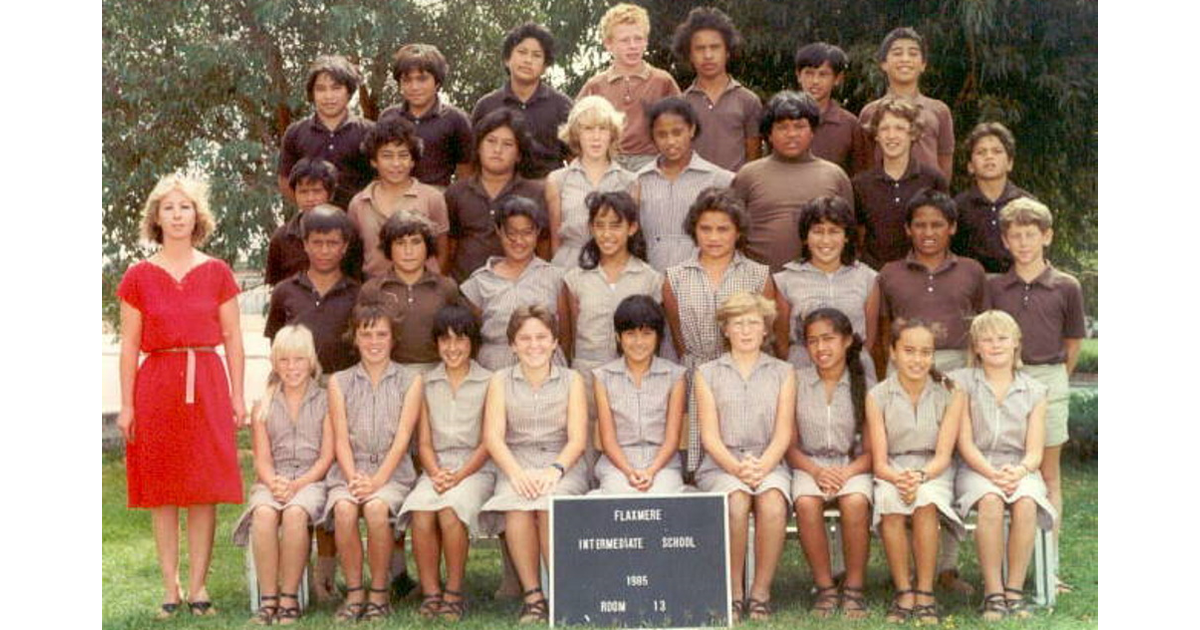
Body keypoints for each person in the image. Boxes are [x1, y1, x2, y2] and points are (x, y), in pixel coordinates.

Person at [116, 173, 245, 618]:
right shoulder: (138, 276)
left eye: (184, 207)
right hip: (157, 386)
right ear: (156, 217)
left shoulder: (217, 272)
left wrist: (238, 396)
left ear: (197, 215)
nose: (176, 215)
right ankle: (170, 586)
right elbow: (129, 345)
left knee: (204, 487)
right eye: (168, 208)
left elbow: (233, 337)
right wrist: (127, 404)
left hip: (206, 381)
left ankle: (198, 585)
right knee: (164, 489)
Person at [988, 197, 1086, 594]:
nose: (1024, 243)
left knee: (1047, 475)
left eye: (1031, 235)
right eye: (1016, 236)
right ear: (1005, 241)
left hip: (1048, 378)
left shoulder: (1067, 286)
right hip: (1004, 378)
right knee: (1006, 471)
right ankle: (1006, 564)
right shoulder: (995, 286)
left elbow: (1073, 343)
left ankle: (1049, 566)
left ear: (1047, 236)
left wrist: (1052, 382)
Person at [478, 306, 589, 623]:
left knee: (549, 505)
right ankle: (533, 597)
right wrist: (516, 474)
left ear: (555, 342)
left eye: (541, 337)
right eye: (524, 338)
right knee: (518, 507)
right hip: (517, 462)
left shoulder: (572, 380)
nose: (534, 345)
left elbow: (577, 439)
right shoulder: (500, 381)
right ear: (513, 345)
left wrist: (555, 470)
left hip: (562, 463)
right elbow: (493, 438)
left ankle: (563, 594)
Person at [693, 292, 795, 622]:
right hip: (722, 464)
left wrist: (762, 468)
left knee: (773, 503)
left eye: (753, 322)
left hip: (769, 460)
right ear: (725, 329)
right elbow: (710, 437)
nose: (746, 330)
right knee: (736, 503)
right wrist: (738, 470)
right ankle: (734, 592)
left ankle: (761, 592)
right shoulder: (707, 373)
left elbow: (783, 433)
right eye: (737, 323)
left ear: (766, 329)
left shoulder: (784, 372)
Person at [663, 187, 781, 472]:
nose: (713, 237)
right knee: (701, 465)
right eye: (705, 229)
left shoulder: (758, 275)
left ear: (738, 231)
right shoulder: (675, 278)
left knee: (744, 456)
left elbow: (766, 334)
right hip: (695, 375)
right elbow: (679, 339)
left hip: (745, 377)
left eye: (723, 229)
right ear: (694, 230)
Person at [952, 310, 1057, 621]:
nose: (995, 345)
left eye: (1002, 338)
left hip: (1019, 467)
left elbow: (1035, 451)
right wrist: (992, 474)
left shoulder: (1035, 390)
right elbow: (965, 443)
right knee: (990, 501)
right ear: (976, 347)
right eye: (986, 339)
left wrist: (1020, 471)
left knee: (1026, 502)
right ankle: (993, 593)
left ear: (1016, 344)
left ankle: (1014, 592)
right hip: (976, 466)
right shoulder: (961, 383)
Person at [324, 298, 423, 622]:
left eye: (381, 334)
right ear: (354, 338)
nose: (374, 342)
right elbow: (340, 438)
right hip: (350, 470)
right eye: (366, 334)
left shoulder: (411, 380)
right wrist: (354, 478)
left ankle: (380, 591)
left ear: (393, 338)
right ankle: (355, 593)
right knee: (343, 509)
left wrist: (377, 481)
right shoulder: (339, 382)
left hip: (392, 472)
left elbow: (403, 438)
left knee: (378, 508)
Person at [396, 306, 496, 621]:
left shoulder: (489, 382)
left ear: (472, 342)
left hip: (476, 469)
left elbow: (488, 442)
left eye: (460, 340)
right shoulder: (426, 383)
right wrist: (436, 473)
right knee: (421, 512)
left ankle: (453, 592)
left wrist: (459, 475)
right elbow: (424, 443)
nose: (452, 348)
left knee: (450, 511)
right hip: (436, 468)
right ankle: (431, 593)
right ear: (436, 343)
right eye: (445, 340)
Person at [866, 318, 966, 625]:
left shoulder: (951, 393)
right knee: (890, 503)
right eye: (909, 351)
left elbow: (944, 455)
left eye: (926, 352)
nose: (918, 360)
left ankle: (925, 592)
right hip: (893, 468)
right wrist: (899, 479)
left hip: (933, 469)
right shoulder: (877, 395)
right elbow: (879, 462)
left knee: (925, 502)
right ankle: (904, 591)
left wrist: (920, 477)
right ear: (893, 352)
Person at [233, 325, 334, 625]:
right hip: (273, 479)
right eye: (285, 360)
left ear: (311, 361)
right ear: (274, 363)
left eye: (299, 359)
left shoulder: (326, 401)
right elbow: (262, 459)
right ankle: (269, 599)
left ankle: (289, 598)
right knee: (263, 513)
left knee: (294, 513)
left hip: (312, 480)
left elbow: (326, 458)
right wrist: (273, 482)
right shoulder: (262, 406)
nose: (292, 368)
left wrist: (299, 484)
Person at [785, 308, 874, 619]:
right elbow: (789, 445)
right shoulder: (796, 382)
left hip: (853, 465)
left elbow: (872, 451)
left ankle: (854, 587)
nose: (821, 348)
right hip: (808, 464)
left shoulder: (865, 385)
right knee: (806, 502)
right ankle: (825, 587)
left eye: (828, 339)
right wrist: (817, 471)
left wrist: (845, 473)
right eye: (813, 341)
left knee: (855, 501)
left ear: (847, 340)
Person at [561, 191, 662, 451]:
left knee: (626, 451)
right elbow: (567, 339)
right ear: (591, 228)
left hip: (633, 378)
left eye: (616, 226)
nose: (607, 234)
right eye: (600, 225)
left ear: (632, 228)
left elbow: (655, 337)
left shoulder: (650, 279)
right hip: (586, 377)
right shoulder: (575, 280)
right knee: (584, 450)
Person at [733, 91, 854, 272]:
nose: (791, 134)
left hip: (819, 281)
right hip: (758, 280)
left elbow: (849, 234)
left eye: (799, 126)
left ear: (812, 131)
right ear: (769, 134)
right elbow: (732, 233)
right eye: (782, 127)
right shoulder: (748, 175)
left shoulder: (835, 176)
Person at [877, 188, 988, 371]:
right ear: (908, 229)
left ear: (952, 227)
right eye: (920, 225)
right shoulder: (890, 273)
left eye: (937, 225)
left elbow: (984, 324)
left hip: (958, 364)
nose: (928, 233)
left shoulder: (972, 270)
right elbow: (883, 330)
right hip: (905, 363)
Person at [774, 196, 879, 376]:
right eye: (817, 231)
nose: (825, 240)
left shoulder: (867, 278)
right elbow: (781, 342)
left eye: (834, 231)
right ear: (805, 237)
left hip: (854, 370)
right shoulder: (785, 280)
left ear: (846, 237)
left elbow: (869, 339)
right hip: (803, 369)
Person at [593, 296, 688, 494]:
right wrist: (629, 472)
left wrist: (651, 471)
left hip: (663, 464)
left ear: (658, 336)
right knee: (619, 495)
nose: (639, 342)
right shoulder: (603, 377)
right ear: (618, 337)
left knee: (661, 494)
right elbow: (608, 440)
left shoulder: (675, 375)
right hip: (617, 465)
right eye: (630, 334)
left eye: (647, 334)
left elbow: (672, 438)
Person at [461, 195, 566, 370]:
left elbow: (566, 335)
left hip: (546, 365)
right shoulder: (479, 281)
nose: (519, 240)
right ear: (499, 231)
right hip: (495, 367)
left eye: (527, 233)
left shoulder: (555, 277)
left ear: (538, 232)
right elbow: (474, 337)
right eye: (511, 233)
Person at [577, 2, 681, 171]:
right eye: (625, 40)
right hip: (608, 162)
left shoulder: (663, 81)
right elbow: (576, 130)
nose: (633, 46)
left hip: (652, 161)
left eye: (638, 39)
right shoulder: (595, 86)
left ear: (646, 41)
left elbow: (681, 126)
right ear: (609, 44)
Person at [446, 109, 547, 281]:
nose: (497, 150)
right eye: (491, 141)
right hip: (465, 289)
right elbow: (449, 247)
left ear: (519, 154)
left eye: (507, 144)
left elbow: (544, 246)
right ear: (478, 147)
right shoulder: (456, 192)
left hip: (519, 288)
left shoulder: (535, 193)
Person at [636, 97, 734, 273]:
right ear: (653, 136)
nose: (671, 141)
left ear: (691, 129)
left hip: (703, 279)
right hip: (652, 278)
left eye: (677, 132)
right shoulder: (638, 181)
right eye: (662, 135)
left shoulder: (719, 180)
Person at [347, 115, 450, 278]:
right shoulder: (358, 203)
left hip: (423, 286)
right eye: (387, 156)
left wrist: (435, 284)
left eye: (403, 155)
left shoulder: (432, 198)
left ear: (413, 161)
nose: (396, 163)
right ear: (374, 161)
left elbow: (442, 250)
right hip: (375, 287)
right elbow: (353, 254)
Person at [265, 205, 362, 376]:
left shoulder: (358, 294)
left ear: (345, 246)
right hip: (298, 382)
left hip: (345, 384)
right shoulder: (284, 292)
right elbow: (276, 345)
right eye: (317, 243)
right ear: (305, 245)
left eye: (332, 243)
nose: (324, 251)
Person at [853, 96, 948, 269]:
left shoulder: (933, 180)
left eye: (899, 128)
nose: (891, 136)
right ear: (876, 135)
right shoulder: (861, 184)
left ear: (912, 133)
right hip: (876, 273)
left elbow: (943, 231)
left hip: (920, 272)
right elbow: (858, 234)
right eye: (885, 129)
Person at [362, 210, 462, 371]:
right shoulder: (372, 290)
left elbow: (460, 335)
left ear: (428, 246)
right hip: (388, 372)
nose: (408, 251)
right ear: (389, 248)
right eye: (400, 243)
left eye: (416, 242)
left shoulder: (446, 287)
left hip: (437, 371)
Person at [472, 22, 573, 180]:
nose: (528, 60)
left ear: (545, 66)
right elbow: (472, 161)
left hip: (547, 189)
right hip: (499, 189)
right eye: (522, 52)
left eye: (536, 55)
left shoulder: (562, 105)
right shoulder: (486, 106)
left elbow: (574, 158)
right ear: (507, 59)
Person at [546, 96, 636, 268]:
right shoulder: (557, 180)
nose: (596, 137)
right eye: (588, 129)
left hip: (613, 268)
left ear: (612, 134)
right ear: (576, 134)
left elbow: (631, 237)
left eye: (603, 129)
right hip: (569, 266)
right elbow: (555, 240)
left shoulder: (629, 181)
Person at [672, 6, 763, 171]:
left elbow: (754, 159)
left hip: (735, 186)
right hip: (693, 186)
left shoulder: (748, 101)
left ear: (727, 51)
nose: (708, 55)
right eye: (700, 48)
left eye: (715, 47)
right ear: (690, 55)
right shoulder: (681, 104)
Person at [278, 55, 374, 209]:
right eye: (321, 89)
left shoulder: (369, 132)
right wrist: (309, 208)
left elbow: (381, 178)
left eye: (336, 88)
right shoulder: (295, 133)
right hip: (312, 220)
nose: (328, 96)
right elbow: (285, 180)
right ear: (312, 93)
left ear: (349, 91)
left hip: (358, 218)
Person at [858, 27, 955, 180]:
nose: (905, 59)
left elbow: (945, 163)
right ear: (883, 63)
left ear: (923, 65)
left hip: (927, 192)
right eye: (897, 53)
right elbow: (865, 162)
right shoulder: (870, 112)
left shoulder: (939, 111)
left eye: (913, 53)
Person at [379, 43, 474, 188]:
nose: (414, 87)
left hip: (438, 196)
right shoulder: (389, 117)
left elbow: (466, 172)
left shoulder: (456, 120)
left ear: (437, 82)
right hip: (394, 196)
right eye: (407, 80)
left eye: (422, 79)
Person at [952, 122, 1035, 273]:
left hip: (1017, 282)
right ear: (970, 166)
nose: (989, 157)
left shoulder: (1028, 205)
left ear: (1010, 163)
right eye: (981, 152)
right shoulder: (958, 207)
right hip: (973, 283)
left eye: (997, 151)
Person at [266, 158, 360, 286]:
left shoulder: (348, 233)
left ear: (330, 194)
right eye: (303, 192)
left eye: (317, 191)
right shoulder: (281, 238)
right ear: (295, 194)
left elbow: (356, 282)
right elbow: (272, 286)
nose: (310, 198)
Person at [794, 42, 869, 177]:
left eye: (823, 74)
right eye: (809, 73)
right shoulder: (782, 119)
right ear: (798, 76)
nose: (815, 81)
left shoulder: (849, 125)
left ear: (837, 79)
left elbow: (860, 175)